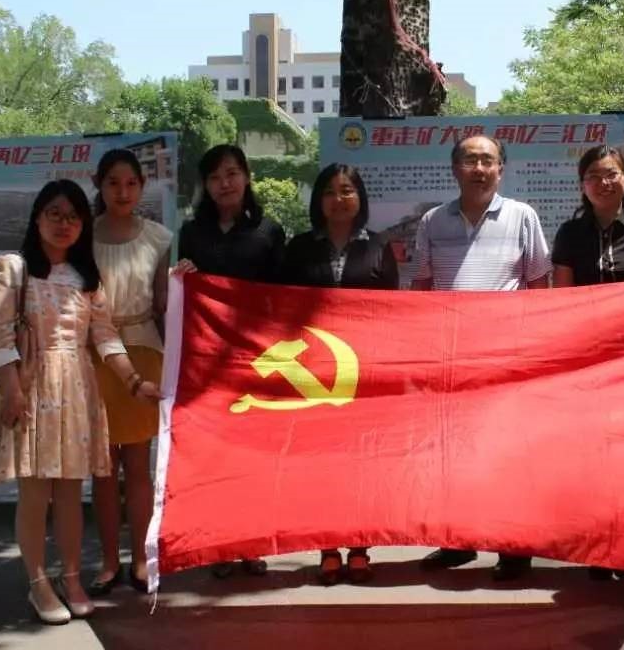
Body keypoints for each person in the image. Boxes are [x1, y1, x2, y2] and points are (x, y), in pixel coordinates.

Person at [0, 179, 160, 625]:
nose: (64, 224)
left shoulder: (87, 277)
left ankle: (70, 578)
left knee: (69, 491)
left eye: (73, 217)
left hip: (77, 388)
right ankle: (37, 582)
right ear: (37, 218)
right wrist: (12, 391)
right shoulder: (13, 268)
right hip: (30, 386)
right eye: (55, 214)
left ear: (83, 224)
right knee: (35, 492)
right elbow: (0, 336)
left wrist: (134, 382)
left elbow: (104, 336)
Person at [412, 133, 551, 582]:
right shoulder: (432, 221)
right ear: (455, 169)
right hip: (451, 360)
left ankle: (515, 545)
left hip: (506, 360)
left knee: (508, 455)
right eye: (470, 160)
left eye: (487, 161)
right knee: (455, 455)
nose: (479, 169)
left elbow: (538, 287)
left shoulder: (523, 216)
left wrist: (533, 350)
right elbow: (422, 289)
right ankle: (459, 540)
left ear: (501, 170)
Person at [550, 144, 624, 581]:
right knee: (593, 458)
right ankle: (598, 547)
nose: (604, 182)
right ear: (582, 185)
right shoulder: (569, 234)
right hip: (587, 363)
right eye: (594, 176)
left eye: (612, 173)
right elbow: (562, 301)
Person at [282, 163, 399, 585]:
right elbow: (281, 310)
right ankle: (328, 547)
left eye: (347, 190)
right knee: (322, 464)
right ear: (318, 200)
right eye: (330, 192)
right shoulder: (298, 248)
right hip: (313, 373)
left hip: (364, 372)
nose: (338, 199)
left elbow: (393, 313)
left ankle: (360, 546)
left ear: (360, 197)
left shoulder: (379, 246)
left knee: (361, 462)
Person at [173, 143, 285, 577]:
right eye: (216, 176)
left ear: (247, 177)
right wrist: (183, 277)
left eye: (232, 173)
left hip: (255, 359)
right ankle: (219, 543)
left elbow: (282, 299)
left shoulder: (269, 231)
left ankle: (251, 541)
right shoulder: (192, 233)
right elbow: (184, 292)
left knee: (252, 455)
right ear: (206, 184)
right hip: (208, 361)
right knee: (213, 454)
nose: (225, 183)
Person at [86, 149, 173, 598]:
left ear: (142, 186)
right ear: (98, 185)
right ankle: (107, 561)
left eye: (131, 183)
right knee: (102, 467)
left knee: (137, 463)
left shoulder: (159, 237)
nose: (123, 192)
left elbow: (163, 304)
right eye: (113, 183)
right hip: (92, 356)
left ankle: (141, 557)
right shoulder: (81, 236)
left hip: (143, 353)